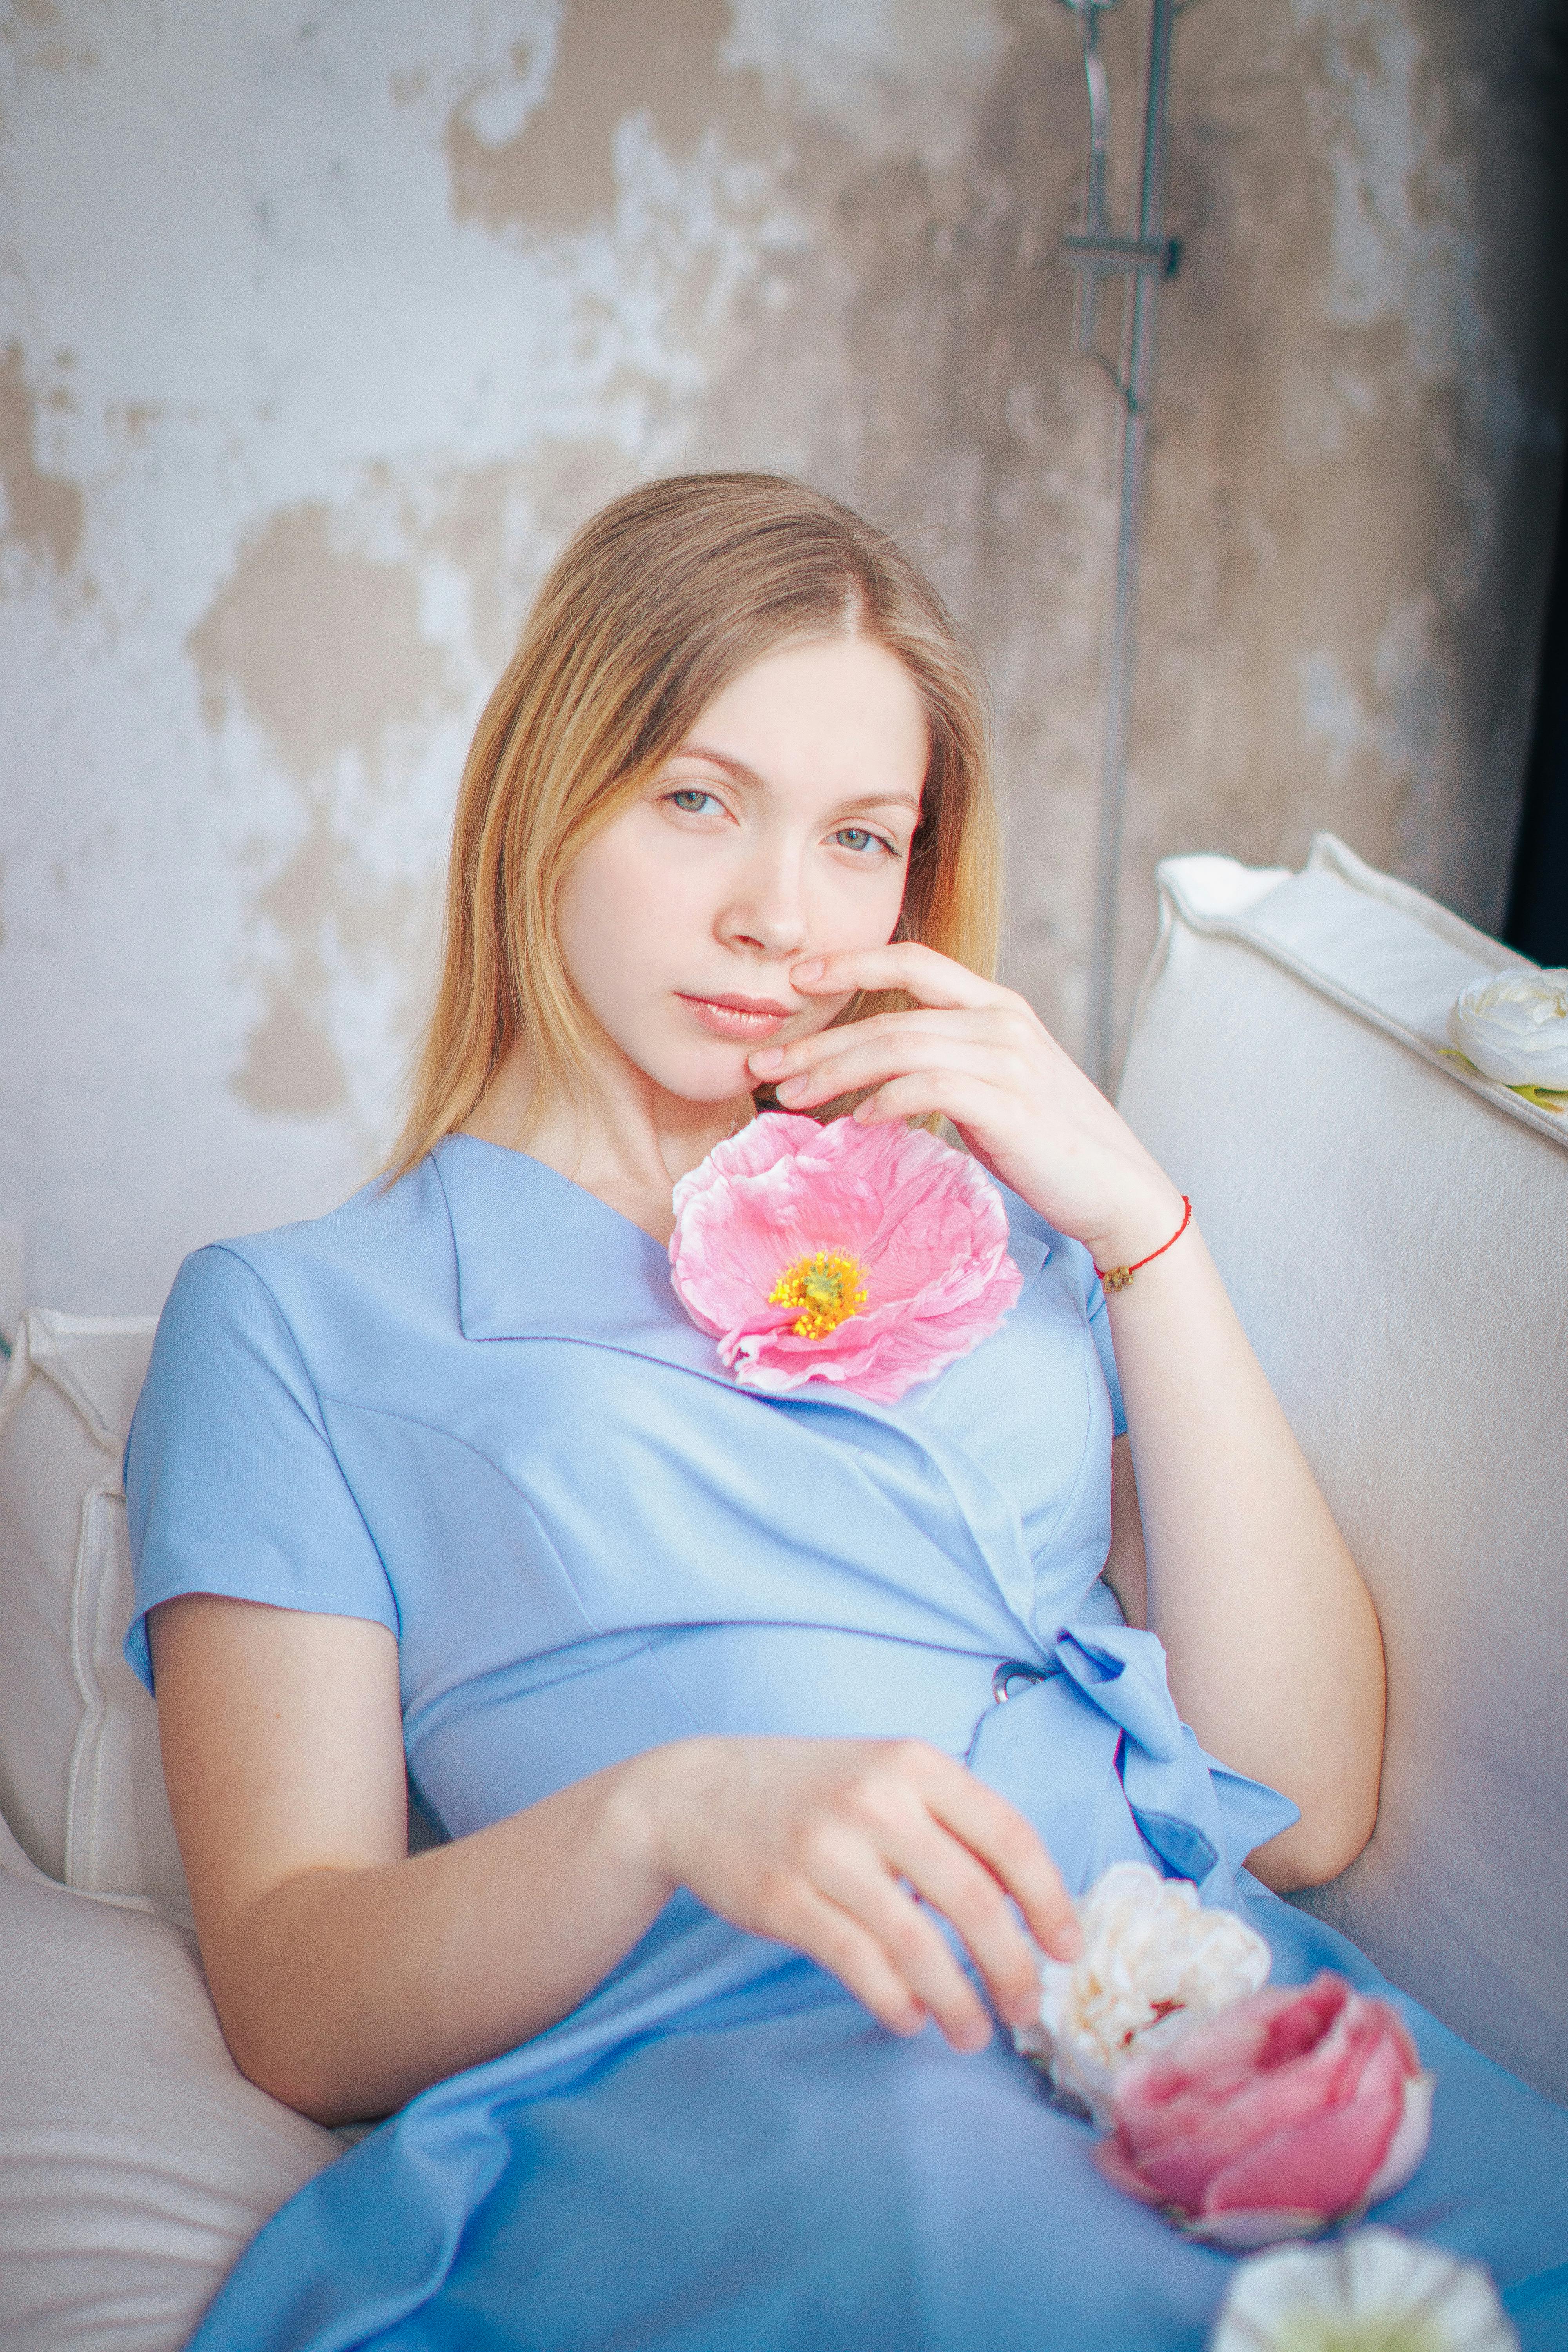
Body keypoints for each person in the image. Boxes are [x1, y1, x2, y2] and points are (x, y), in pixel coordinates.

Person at [125, 474, 1566, 2352]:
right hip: (775, 2070)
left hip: (1210, 2028)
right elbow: (294, 1991)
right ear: (543, 795)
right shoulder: (300, 1321)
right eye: (697, 799)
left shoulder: (992, 1249)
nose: (776, 920)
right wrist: (663, 1817)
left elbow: (1303, 1801)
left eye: (861, 839)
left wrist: (1139, 1230)